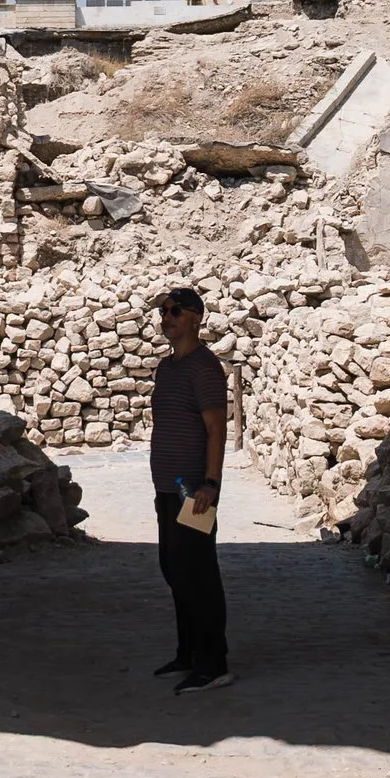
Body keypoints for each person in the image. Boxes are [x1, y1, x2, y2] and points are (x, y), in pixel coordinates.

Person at [147, 284, 231, 691]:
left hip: (194, 492)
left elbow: (216, 429)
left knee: (198, 573)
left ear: (195, 318)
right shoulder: (167, 368)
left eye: (174, 311)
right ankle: (188, 653)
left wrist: (210, 484)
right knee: (174, 569)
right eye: (163, 311)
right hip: (169, 489)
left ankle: (214, 663)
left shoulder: (204, 368)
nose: (166, 318)